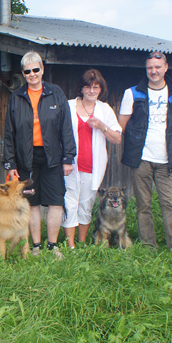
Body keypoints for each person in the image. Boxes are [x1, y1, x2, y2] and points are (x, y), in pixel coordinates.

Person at [3, 51, 76, 258]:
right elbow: (9, 133)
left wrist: (68, 157)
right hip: (26, 158)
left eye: (36, 69)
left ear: (42, 70)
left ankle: (52, 245)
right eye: (27, 71)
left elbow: (66, 128)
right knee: (31, 202)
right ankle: (36, 245)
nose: (32, 74)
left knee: (56, 201)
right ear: (23, 74)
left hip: (53, 156)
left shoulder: (56, 93)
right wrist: (10, 164)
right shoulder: (16, 97)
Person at [118, 51, 172, 250]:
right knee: (143, 205)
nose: (153, 71)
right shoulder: (132, 93)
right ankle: (148, 245)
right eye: (150, 67)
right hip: (141, 158)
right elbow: (120, 126)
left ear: (166, 68)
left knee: (170, 204)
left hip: (169, 159)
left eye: (158, 67)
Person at [63, 69, 122, 247]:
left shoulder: (104, 110)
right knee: (70, 203)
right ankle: (70, 244)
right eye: (88, 87)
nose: (91, 91)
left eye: (95, 87)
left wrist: (101, 126)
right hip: (70, 164)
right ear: (81, 88)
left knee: (85, 205)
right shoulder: (69, 106)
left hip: (92, 166)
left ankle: (81, 243)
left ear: (100, 90)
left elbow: (117, 138)